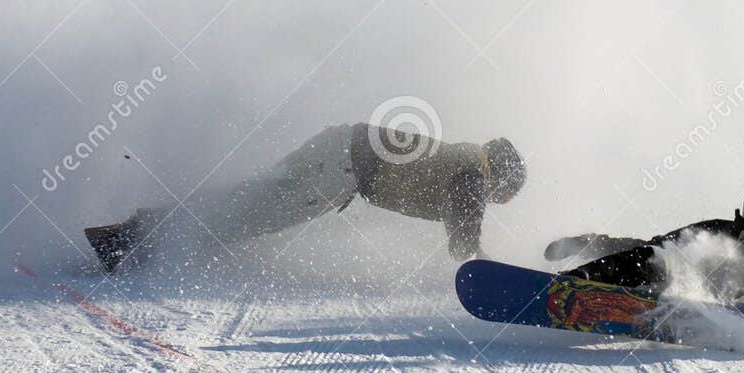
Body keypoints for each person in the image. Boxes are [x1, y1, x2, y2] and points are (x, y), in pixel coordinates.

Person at [84, 123, 527, 273]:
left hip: (338, 149)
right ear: (501, 177)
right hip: (341, 169)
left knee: (248, 201)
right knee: (249, 214)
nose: (498, 202)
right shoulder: (473, 170)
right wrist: (482, 266)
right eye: (505, 196)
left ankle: (136, 237)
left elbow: (456, 213)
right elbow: (464, 228)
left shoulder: (461, 160)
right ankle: (136, 241)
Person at [543, 170, 744, 342]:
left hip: (737, 306)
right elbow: (651, 247)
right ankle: (574, 285)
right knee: (656, 258)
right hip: (676, 285)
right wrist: (587, 243)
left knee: (664, 259)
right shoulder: (717, 230)